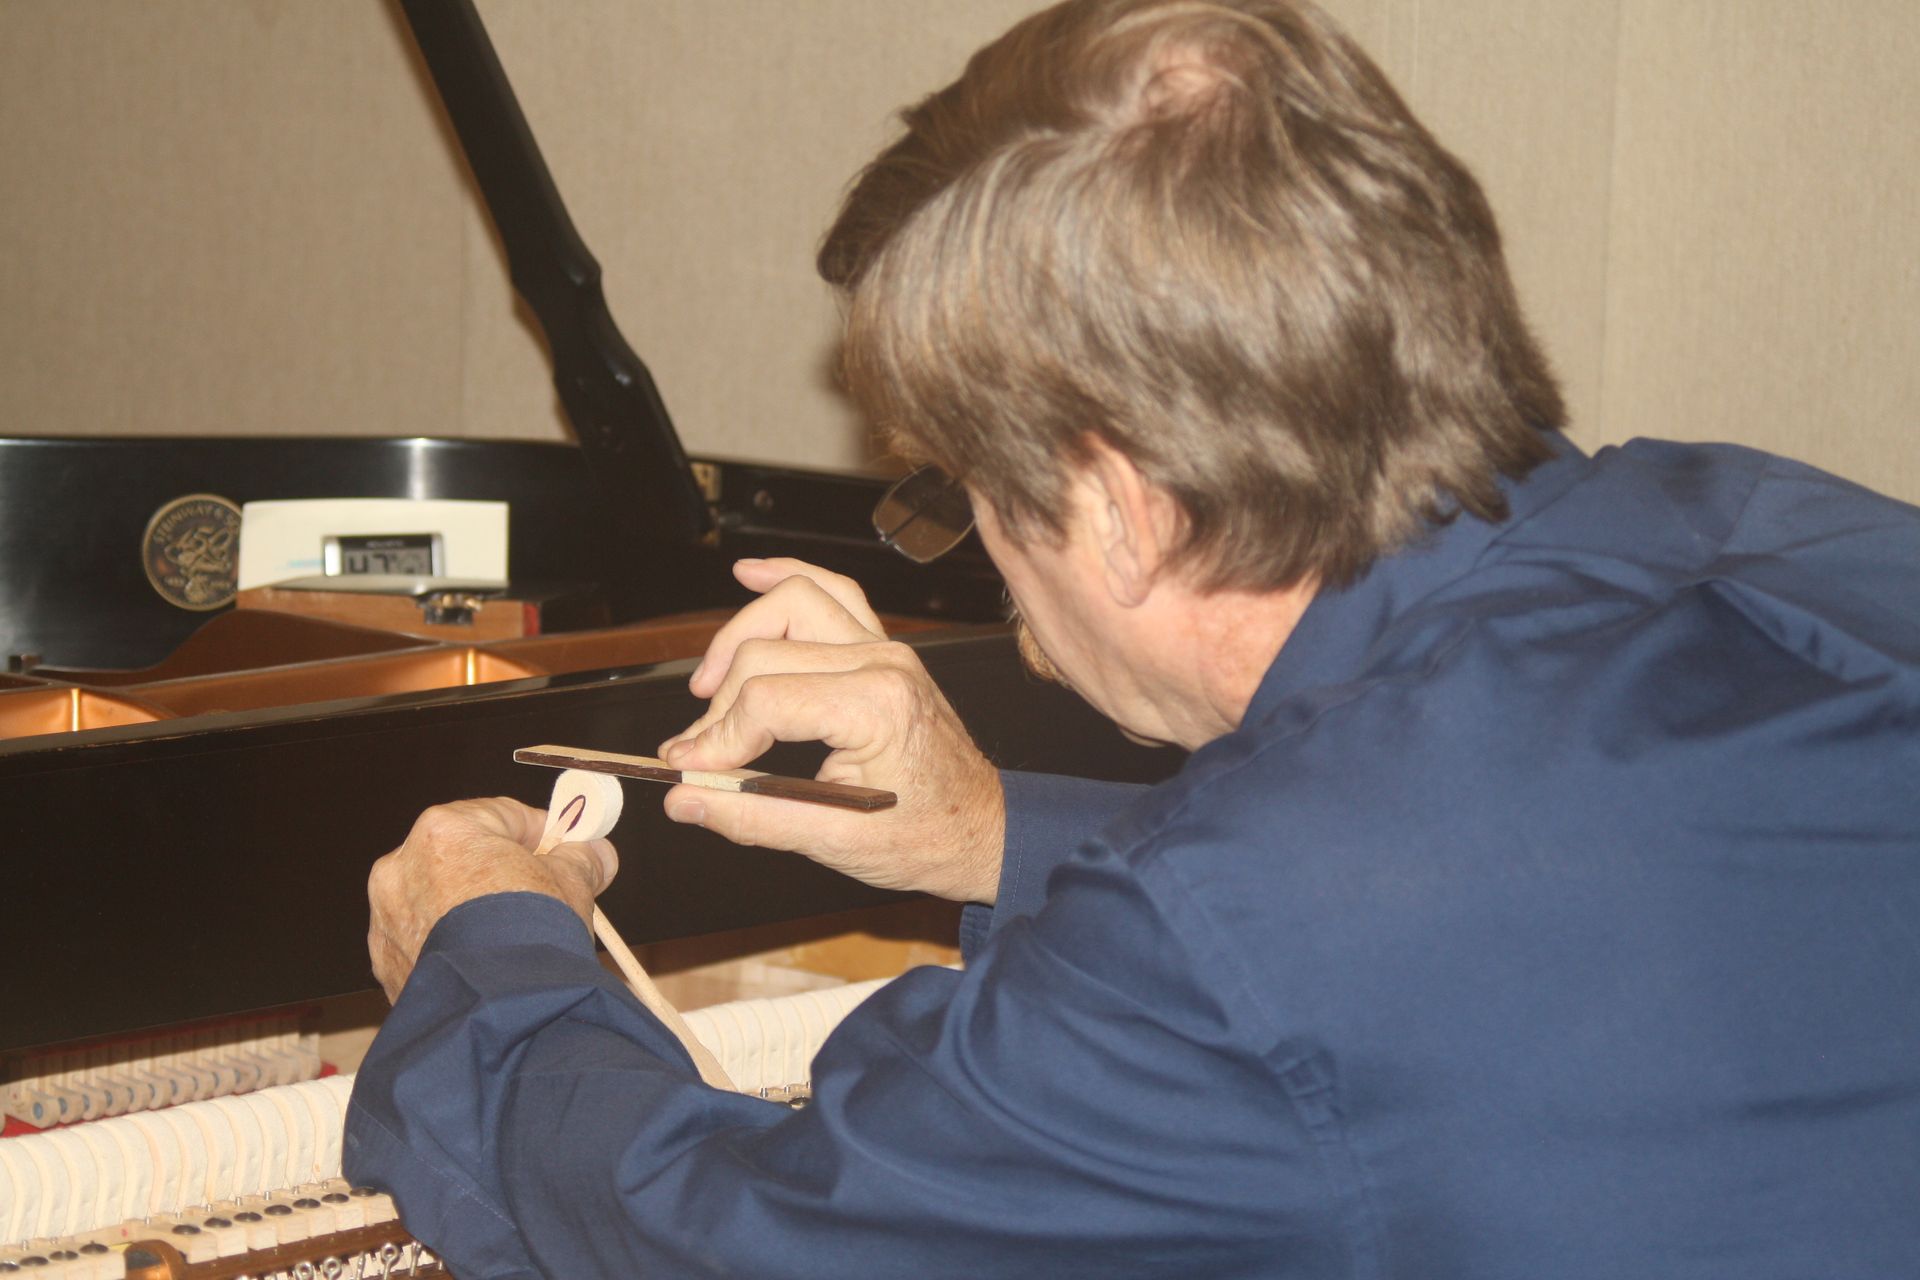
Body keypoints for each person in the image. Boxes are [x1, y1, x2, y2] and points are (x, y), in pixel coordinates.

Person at [344, 0, 1920, 1275]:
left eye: (963, 493)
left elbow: (723, 1243)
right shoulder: (1794, 533)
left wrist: (491, 952)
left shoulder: (1247, 941)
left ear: (1118, 506)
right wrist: (994, 831)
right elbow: (1490, 886)